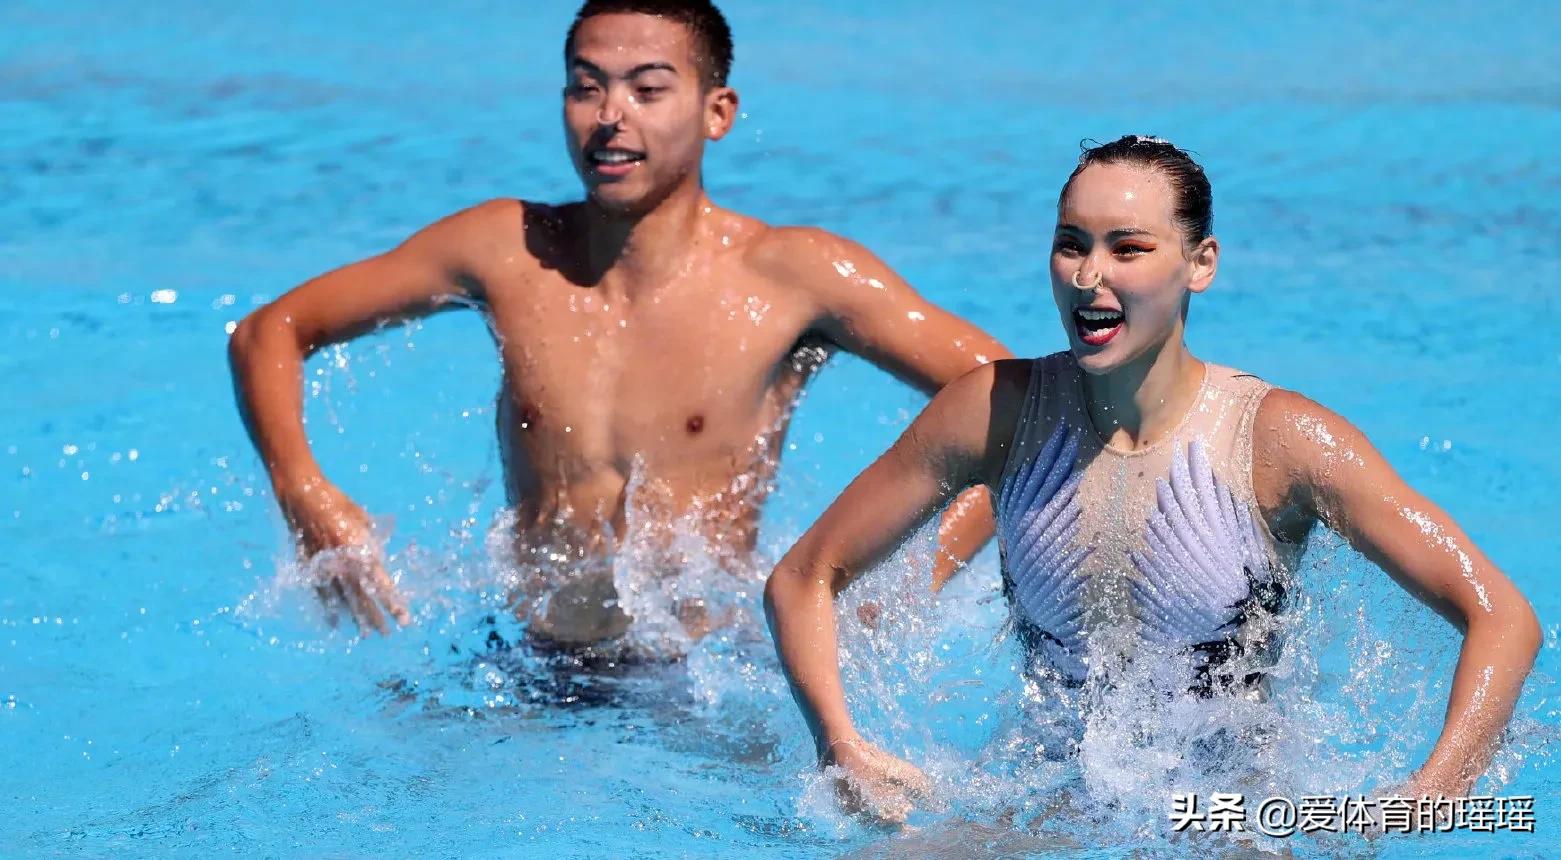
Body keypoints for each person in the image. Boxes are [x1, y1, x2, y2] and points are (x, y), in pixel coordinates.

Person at [764, 135, 1542, 824]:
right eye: (1071, 244)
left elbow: (1500, 615)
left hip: (1225, 815)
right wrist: (841, 743)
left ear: (1199, 264)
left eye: (1127, 249)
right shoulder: (995, 412)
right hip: (1047, 793)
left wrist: (1439, 785)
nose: (1087, 276)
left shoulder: (1275, 440)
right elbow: (803, 575)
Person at [227, 0, 1007, 644]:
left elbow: (1016, 403)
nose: (609, 117)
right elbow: (271, 330)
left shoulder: (790, 277)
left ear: (716, 112)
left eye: (647, 89)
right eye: (585, 88)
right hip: (524, 657)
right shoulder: (508, 251)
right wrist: (304, 491)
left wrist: (905, 582)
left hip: (698, 678)